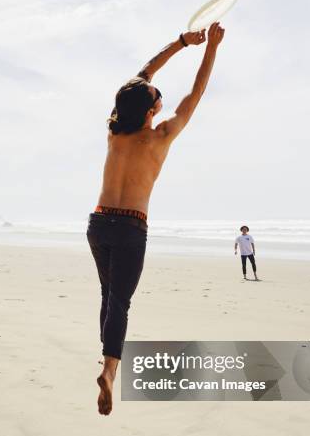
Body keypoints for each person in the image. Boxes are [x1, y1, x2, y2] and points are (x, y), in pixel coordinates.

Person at [87, 22, 226, 415]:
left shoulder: (115, 131)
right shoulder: (160, 136)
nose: (159, 93)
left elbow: (145, 71)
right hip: (131, 226)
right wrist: (211, 48)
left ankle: (106, 361)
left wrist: (183, 42)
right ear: (151, 112)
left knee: (108, 295)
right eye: (156, 96)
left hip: (98, 223)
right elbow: (195, 93)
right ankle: (110, 369)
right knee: (120, 301)